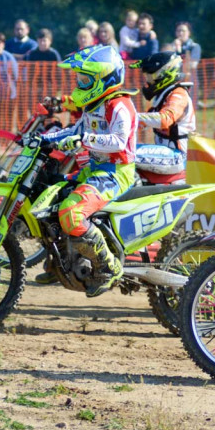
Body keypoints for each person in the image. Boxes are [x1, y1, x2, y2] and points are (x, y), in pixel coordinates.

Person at [37, 44, 138, 297]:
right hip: (93, 169)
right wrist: (44, 138)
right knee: (49, 196)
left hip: (115, 173)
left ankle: (108, 267)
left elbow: (118, 141)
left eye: (85, 79)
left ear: (104, 79)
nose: (80, 83)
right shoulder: (94, 104)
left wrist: (84, 141)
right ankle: (62, 263)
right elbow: (75, 130)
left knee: (71, 211)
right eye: (79, 79)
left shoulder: (120, 105)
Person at [130, 52, 195, 181]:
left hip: (178, 157)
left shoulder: (179, 94)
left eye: (150, 76)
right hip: (167, 153)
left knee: (126, 154)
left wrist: (130, 117)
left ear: (164, 74)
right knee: (121, 150)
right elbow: (145, 121)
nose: (148, 81)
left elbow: (166, 119)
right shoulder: (164, 95)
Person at [23, 29, 61, 117]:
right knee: (35, 111)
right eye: (40, 40)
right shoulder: (32, 54)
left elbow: (59, 73)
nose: (42, 43)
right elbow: (28, 72)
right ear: (37, 41)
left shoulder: (54, 54)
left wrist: (57, 88)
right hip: (35, 88)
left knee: (49, 111)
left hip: (49, 88)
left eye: (45, 40)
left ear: (50, 41)